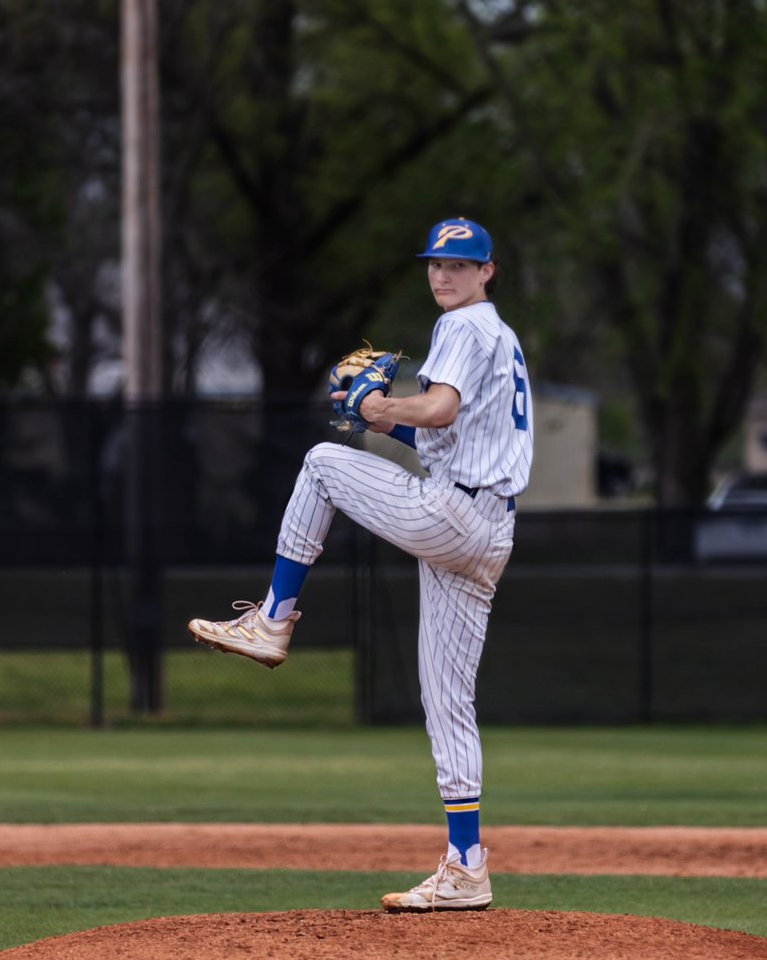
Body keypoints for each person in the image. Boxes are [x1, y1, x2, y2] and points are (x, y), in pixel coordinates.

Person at [189, 217, 534, 912]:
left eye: (460, 265)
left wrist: (379, 401)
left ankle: (273, 620)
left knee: (320, 465)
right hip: (488, 530)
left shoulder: (466, 328)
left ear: (487, 272)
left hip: (456, 515)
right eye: (436, 263)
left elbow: (437, 408)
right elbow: (444, 429)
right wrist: (380, 419)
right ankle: (467, 866)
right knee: (447, 701)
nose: (444, 275)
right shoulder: (500, 338)